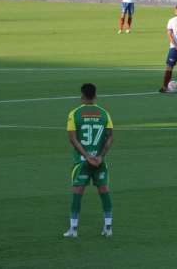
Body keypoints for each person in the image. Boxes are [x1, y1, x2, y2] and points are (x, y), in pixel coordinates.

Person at [63, 83, 114, 238]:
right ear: (95, 95)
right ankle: (108, 227)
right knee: (104, 192)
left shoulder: (74, 113)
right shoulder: (105, 113)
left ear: (82, 96)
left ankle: (73, 229)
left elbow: (72, 139)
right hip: (99, 161)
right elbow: (110, 136)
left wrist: (86, 156)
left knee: (77, 193)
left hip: (82, 162)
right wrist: (100, 156)